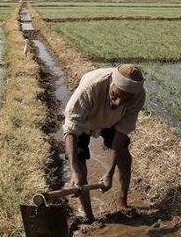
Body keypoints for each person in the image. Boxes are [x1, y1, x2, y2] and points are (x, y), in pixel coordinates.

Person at [63, 64, 146, 221]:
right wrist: (74, 171)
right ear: (111, 83)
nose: (119, 102)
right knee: (79, 168)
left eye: (126, 99)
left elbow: (121, 135)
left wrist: (110, 172)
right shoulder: (90, 88)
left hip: (112, 121)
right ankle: (89, 216)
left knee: (124, 157)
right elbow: (71, 130)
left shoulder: (138, 96)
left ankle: (123, 202)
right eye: (116, 95)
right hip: (85, 120)